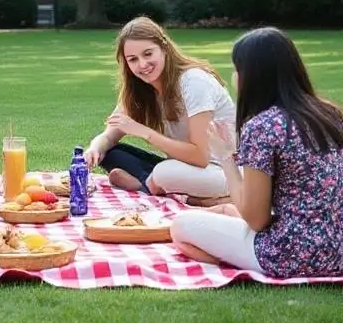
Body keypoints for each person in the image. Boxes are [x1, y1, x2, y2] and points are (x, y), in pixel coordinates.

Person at [171, 27, 343, 278]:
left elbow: (256, 220)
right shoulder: (330, 114)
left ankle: (245, 268)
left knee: (181, 228)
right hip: (338, 249)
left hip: (292, 254)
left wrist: (226, 157)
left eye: (237, 69)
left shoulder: (263, 127)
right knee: (227, 213)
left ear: (252, 76)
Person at [85, 16, 235, 205]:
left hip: (224, 171)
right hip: (185, 166)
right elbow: (108, 136)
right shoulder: (140, 90)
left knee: (165, 172)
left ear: (164, 48)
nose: (142, 65)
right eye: (133, 59)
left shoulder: (194, 82)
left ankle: (160, 188)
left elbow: (200, 157)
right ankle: (153, 184)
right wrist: (93, 149)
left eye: (148, 54)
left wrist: (144, 132)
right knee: (111, 152)